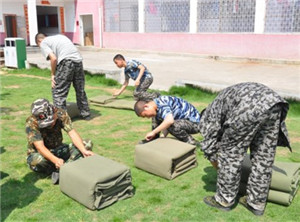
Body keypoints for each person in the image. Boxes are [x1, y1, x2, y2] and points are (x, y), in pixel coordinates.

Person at [135, 82, 291, 216]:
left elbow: (209, 147)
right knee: (263, 158)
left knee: (231, 155)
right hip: (275, 103)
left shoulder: (209, 116)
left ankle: (224, 200)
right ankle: (256, 203)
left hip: (249, 107)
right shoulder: (220, 106)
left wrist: (219, 167)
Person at [26, 98, 94, 182]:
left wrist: (84, 151)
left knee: (87, 144)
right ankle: (64, 167)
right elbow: (40, 147)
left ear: (54, 112)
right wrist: (56, 160)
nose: (50, 124)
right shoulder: (32, 122)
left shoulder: (61, 113)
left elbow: (72, 133)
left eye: (51, 120)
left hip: (58, 149)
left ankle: (62, 169)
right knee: (38, 161)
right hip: (40, 154)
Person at [35, 33, 91, 120]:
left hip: (67, 62)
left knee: (58, 91)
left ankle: (62, 119)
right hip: (78, 61)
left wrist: (53, 75)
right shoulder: (60, 37)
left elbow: (53, 59)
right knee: (80, 89)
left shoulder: (43, 43)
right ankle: (85, 113)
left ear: (39, 41)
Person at [134, 95, 201, 145]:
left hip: (195, 124)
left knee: (172, 125)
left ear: (146, 106)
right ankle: (155, 139)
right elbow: (166, 120)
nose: (147, 117)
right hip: (183, 121)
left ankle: (190, 142)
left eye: (145, 115)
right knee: (155, 117)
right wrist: (163, 136)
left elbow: (169, 121)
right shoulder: (157, 106)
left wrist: (153, 132)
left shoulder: (161, 103)